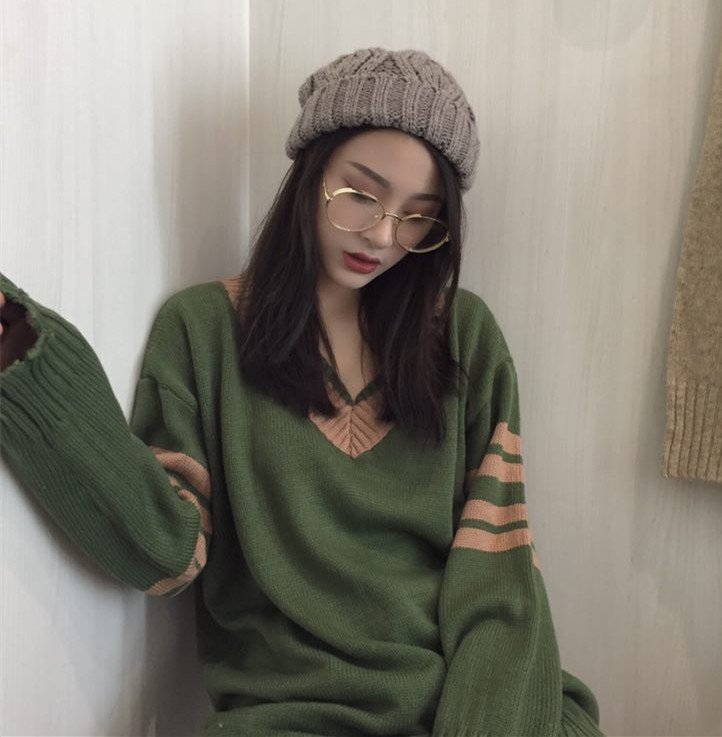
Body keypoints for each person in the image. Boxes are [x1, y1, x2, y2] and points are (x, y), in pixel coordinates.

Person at [0, 47, 605, 737]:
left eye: (418, 216)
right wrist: (30, 365)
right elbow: (164, 551)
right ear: (311, 169)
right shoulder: (202, 330)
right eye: (361, 194)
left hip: (468, 700)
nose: (383, 235)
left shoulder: (466, 337)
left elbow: (499, 574)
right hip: (288, 714)